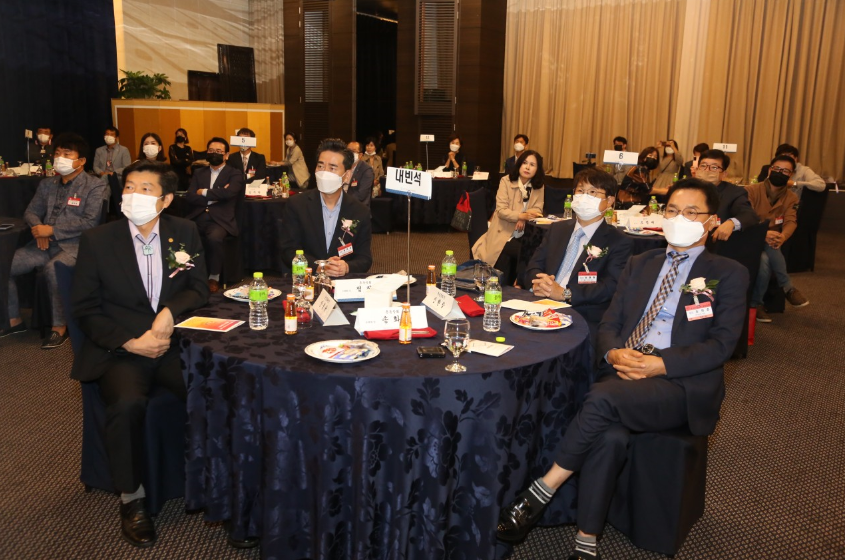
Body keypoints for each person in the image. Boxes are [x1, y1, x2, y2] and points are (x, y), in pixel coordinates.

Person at [496, 179, 749, 560]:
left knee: (601, 399)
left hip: (677, 382)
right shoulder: (642, 263)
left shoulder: (728, 272)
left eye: (691, 213)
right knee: (609, 435)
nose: (679, 219)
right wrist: (614, 354)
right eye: (672, 210)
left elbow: (722, 345)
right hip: (623, 369)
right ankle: (586, 540)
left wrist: (660, 364)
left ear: (711, 222)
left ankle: (542, 489)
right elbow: (610, 322)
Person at [71, 160, 208, 548]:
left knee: (210, 392)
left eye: (146, 189)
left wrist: (169, 312)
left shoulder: (185, 231)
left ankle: (217, 484)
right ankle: (132, 499)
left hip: (169, 344)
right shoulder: (98, 240)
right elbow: (84, 309)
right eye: (129, 187)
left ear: (165, 200)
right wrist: (129, 342)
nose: (134, 195)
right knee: (128, 403)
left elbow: (198, 288)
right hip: (121, 351)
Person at [0, 133, 107, 348]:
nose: (60, 158)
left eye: (67, 154)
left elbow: (90, 222)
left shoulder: (95, 186)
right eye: (57, 154)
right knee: (5, 265)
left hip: (75, 246)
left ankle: (60, 327)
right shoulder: (47, 184)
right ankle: (14, 320)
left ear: (81, 161)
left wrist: (51, 231)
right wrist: (40, 231)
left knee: (53, 269)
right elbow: (30, 212)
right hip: (43, 244)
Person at [526, 168, 633, 340]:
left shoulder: (618, 241)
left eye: (593, 192)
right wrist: (539, 283)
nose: (584, 197)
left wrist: (565, 294)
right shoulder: (557, 229)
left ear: (609, 201)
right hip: (540, 304)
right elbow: (534, 265)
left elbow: (610, 286)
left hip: (581, 313)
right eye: (581, 191)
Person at [279, 138, 372, 277]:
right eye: (320, 166)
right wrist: (319, 266)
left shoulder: (359, 211)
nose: (324, 172)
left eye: (332, 168)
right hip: (306, 281)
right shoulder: (297, 205)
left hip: (342, 283)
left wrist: (346, 267)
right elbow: (288, 251)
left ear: (346, 176)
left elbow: (365, 258)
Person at [746, 155, 808, 322]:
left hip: (772, 241)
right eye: (777, 169)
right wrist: (763, 233)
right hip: (750, 236)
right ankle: (788, 287)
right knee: (769, 245)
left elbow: (791, 221)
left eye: (785, 171)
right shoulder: (751, 191)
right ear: (770, 170)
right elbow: (747, 218)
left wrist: (783, 237)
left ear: (791, 175)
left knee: (765, 259)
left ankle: (756, 304)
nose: (780, 173)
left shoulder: (791, 197)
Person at [472, 150, 545, 285]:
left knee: (536, 251)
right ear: (519, 164)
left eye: (532, 165)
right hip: (502, 231)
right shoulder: (506, 181)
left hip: (524, 232)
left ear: (537, 169)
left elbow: (538, 209)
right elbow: (501, 210)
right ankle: (514, 284)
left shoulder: (538, 186)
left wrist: (523, 218)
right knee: (522, 252)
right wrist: (520, 215)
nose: (527, 167)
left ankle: (518, 285)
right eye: (525, 163)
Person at [184, 137, 245, 293]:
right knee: (182, 232)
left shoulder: (235, 174)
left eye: (218, 151)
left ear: (226, 155)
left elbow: (229, 193)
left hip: (220, 220)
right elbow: (190, 196)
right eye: (211, 151)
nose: (214, 154)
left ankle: (214, 277)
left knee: (214, 238)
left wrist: (203, 192)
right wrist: (217, 194)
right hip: (198, 216)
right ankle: (186, 274)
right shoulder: (199, 172)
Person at [691, 149, 759, 241]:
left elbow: (749, 215)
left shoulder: (734, 193)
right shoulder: (687, 189)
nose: (707, 170)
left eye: (714, 167)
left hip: (714, 243)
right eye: (703, 166)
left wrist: (731, 223)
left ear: (724, 174)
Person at [756, 143, 826, 197]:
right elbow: (761, 188)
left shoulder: (803, 170)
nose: (786, 159)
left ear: (796, 159)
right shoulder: (769, 169)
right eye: (783, 156)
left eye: (789, 156)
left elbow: (820, 185)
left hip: (793, 205)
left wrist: (794, 184)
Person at [346, 140, 374, 206]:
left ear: (360, 155)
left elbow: (361, 195)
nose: (350, 154)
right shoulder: (342, 167)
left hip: (358, 207)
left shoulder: (367, 170)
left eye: (353, 151)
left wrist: (342, 200)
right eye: (348, 151)